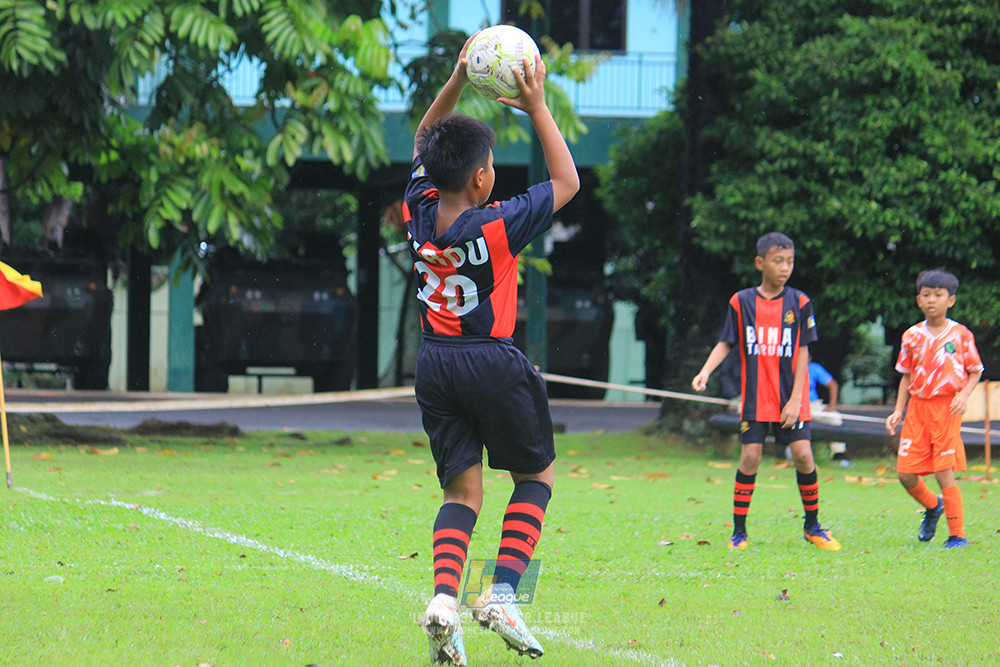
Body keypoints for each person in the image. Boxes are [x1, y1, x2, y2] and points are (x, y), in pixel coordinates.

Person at [404, 32, 580, 666]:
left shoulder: (418, 208)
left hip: (434, 364)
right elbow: (567, 179)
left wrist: (457, 78)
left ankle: (446, 601)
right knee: (536, 477)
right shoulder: (497, 223)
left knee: (461, 494)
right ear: (481, 178)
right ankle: (502, 592)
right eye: (492, 169)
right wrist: (535, 105)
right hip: (492, 360)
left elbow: (426, 141)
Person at [692, 232, 841, 551]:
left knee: (803, 455)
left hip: (791, 401)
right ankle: (739, 533)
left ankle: (813, 526)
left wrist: (796, 399)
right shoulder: (741, 301)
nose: (785, 267)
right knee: (750, 457)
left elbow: (804, 351)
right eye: (778, 261)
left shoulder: (799, 302)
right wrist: (705, 371)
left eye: (789, 261)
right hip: (756, 399)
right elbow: (726, 342)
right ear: (760, 263)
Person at [885, 270, 983, 548]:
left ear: (950, 300)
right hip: (917, 410)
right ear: (918, 300)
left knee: (943, 471)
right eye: (926, 295)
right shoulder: (911, 335)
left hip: (947, 409)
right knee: (905, 474)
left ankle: (957, 534)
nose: (931, 300)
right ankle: (932, 506)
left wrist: (964, 394)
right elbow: (906, 375)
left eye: (938, 295)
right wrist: (897, 411)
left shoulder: (961, 334)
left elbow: (975, 370)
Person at [808, 353, 849, 465]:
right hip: (795, 407)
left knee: (835, 418)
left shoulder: (814, 368)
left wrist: (832, 405)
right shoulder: (788, 367)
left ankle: (838, 453)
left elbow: (832, 384)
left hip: (813, 406)